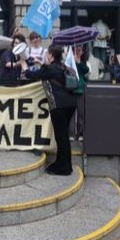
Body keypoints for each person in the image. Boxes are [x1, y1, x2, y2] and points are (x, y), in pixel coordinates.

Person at [21, 45, 77, 176]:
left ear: (51, 55)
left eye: (48, 53)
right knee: (64, 136)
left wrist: (24, 67)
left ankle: (64, 168)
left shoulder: (49, 68)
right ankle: (64, 164)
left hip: (59, 105)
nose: (46, 55)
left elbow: (33, 75)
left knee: (60, 136)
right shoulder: (63, 66)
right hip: (70, 104)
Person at [72, 45, 89, 141]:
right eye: (76, 50)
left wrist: (78, 62)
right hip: (70, 89)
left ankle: (80, 133)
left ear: (82, 52)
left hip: (80, 89)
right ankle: (70, 134)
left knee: (81, 113)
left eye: (80, 50)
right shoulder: (69, 60)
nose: (78, 52)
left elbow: (86, 70)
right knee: (70, 114)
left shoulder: (84, 62)